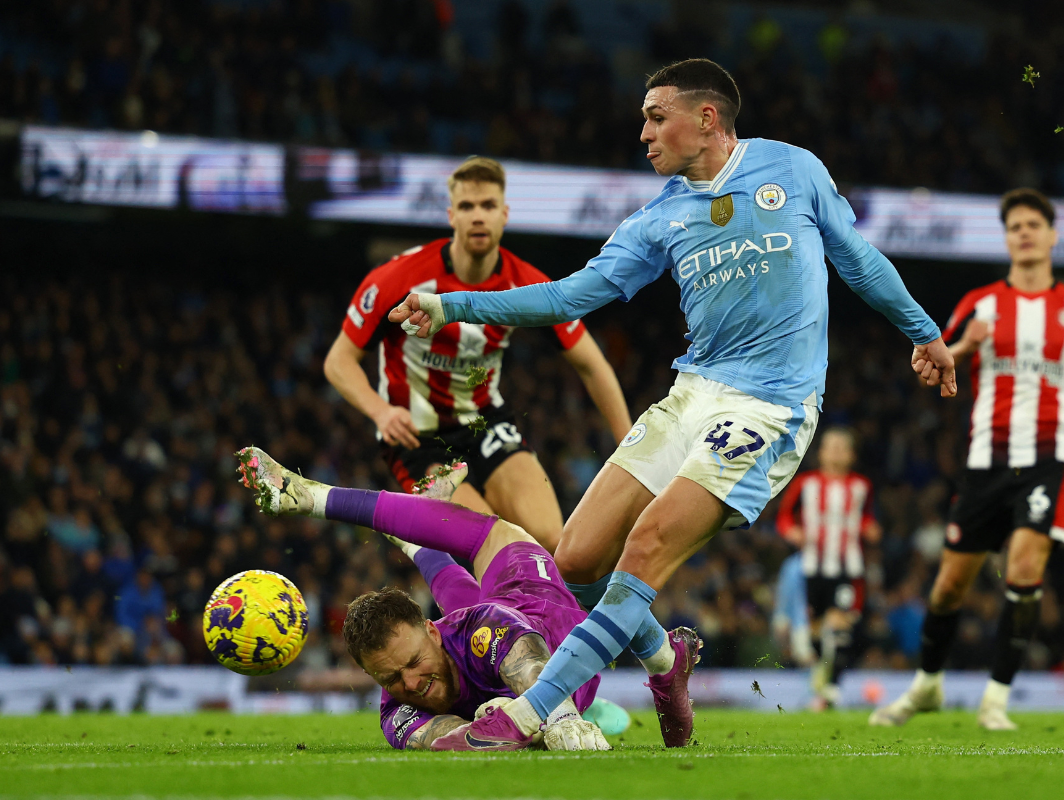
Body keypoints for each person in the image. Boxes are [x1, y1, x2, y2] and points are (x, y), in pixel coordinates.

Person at [391, 58, 956, 750]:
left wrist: (926, 333)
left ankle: (528, 713)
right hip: (692, 393)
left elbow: (859, 258)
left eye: (656, 117)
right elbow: (568, 297)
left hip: (769, 406)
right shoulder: (658, 217)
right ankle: (667, 660)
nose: (644, 134)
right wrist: (450, 304)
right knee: (573, 559)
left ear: (706, 119)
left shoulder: (793, 171)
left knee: (648, 544)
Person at [869, 188, 1064, 731]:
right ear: (1007, 238)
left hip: (1050, 454)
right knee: (949, 586)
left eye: (1035, 224)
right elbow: (936, 360)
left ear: (1053, 236)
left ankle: (995, 700)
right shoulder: (981, 304)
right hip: (987, 458)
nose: (1025, 233)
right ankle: (927, 686)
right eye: (1016, 226)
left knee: (1025, 568)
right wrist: (965, 346)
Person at [323, 156, 631, 552]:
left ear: (504, 215)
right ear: (451, 215)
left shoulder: (525, 283)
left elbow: (592, 364)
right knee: (494, 544)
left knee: (554, 545)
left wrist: (629, 448)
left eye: (487, 206)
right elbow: (338, 361)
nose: (478, 216)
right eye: (467, 207)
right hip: (419, 438)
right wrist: (380, 412)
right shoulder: (398, 278)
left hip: (484, 422)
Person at [235, 446, 614, 751]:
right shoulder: (396, 710)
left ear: (433, 632)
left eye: (414, 662)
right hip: (478, 629)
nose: (412, 684)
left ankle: (309, 496)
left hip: (526, 590)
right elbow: (448, 740)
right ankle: (421, 527)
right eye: (392, 677)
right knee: (469, 616)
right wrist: (504, 726)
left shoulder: (486, 628)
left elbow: (534, 671)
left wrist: (560, 716)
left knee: (493, 535)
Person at [774, 427, 880, 709]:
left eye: (841, 447)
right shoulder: (805, 484)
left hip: (848, 568)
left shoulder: (861, 486)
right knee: (817, 631)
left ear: (851, 455)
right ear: (820, 453)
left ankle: (831, 688)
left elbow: (866, 517)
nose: (835, 452)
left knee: (842, 626)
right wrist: (792, 533)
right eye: (830, 446)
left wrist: (870, 529)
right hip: (812, 569)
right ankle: (822, 685)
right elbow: (783, 517)